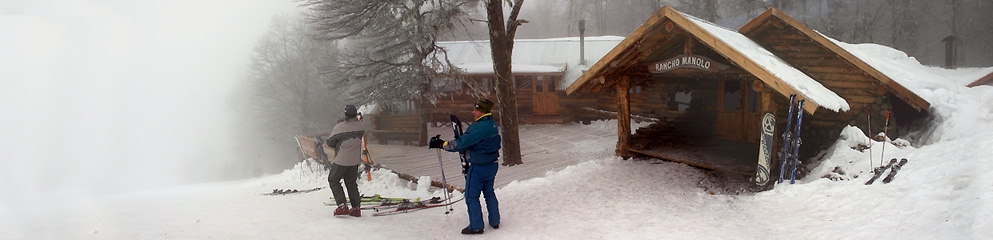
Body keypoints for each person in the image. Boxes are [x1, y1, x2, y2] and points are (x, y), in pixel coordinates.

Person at [429, 99, 501, 235]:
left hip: (479, 167)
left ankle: (476, 226)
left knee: (471, 196)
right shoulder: (492, 124)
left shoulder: (478, 128)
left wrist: (442, 144)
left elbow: (460, 144)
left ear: (483, 111)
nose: (473, 112)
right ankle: (495, 221)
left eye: (476, 110)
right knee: (489, 192)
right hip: (492, 165)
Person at [326, 104, 368, 217]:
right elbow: (358, 129)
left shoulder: (339, 127)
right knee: (351, 182)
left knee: (333, 180)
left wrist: (340, 124)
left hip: (341, 159)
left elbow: (330, 142)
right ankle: (356, 208)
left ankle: (342, 205)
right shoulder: (361, 127)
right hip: (354, 160)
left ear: (345, 114)